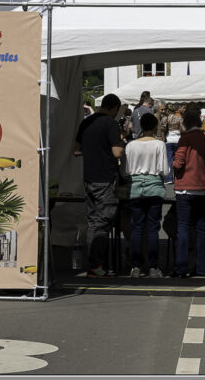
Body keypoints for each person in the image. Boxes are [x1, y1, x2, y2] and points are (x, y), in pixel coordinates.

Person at [73, 93, 125, 278]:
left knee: (94, 221)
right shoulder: (110, 123)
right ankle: (96, 266)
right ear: (114, 108)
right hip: (105, 178)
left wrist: (92, 150)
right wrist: (122, 145)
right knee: (103, 223)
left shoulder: (86, 122)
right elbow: (117, 152)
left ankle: (93, 265)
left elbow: (76, 150)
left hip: (89, 177)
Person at [121, 112, 169, 278]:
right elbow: (164, 170)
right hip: (155, 188)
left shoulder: (131, 145)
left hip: (135, 189)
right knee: (152, 229)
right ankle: (153, 266)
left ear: (141, 126)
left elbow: (126, 171)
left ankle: (135, 266)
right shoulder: (159, 144)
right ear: (155, 126)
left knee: (137, 228)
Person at [171, 106, 205, 277]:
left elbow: (177, 163)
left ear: (185, 124)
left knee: (183, 229)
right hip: (202, 189)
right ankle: (202, 267)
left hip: (185, 189)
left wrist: (175, 167)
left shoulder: (185, 139)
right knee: (201, 230)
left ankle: (182, 267)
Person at [163, 103, 184, 183]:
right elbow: (182, 129)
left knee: (169, 159)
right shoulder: (179, 118)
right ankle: (178, 177)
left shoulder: (165, 118)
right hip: (177, 139)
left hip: (169, 140)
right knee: (178, 159)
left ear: (168, 110)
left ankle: (169, 178)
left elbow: (163, 129)